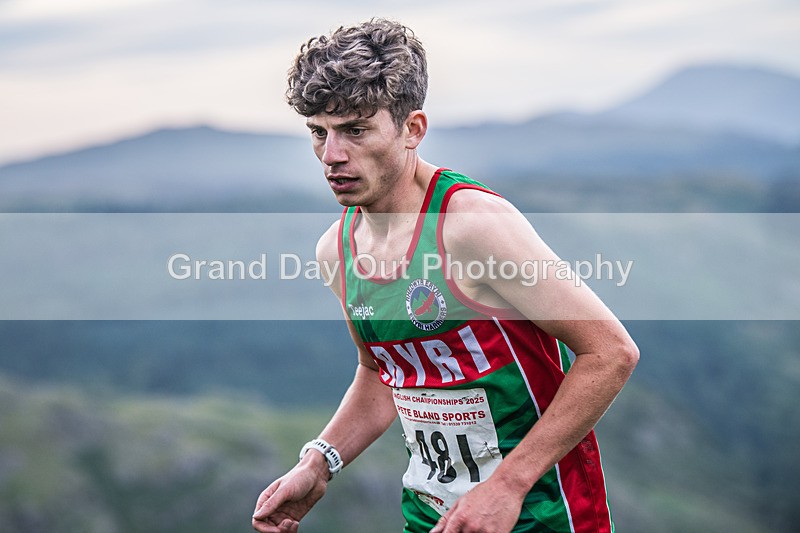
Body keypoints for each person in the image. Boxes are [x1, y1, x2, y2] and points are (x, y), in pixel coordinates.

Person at [253, 18, 638, 533]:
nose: (331, 156)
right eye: (318, 133)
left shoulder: (470, 225)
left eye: (356, 131)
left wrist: (507, 485)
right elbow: (381, 373)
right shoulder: (336, 250)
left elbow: (611, 353)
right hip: (431, 516)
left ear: (412, 129)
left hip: (540, 515)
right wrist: (318, 464)